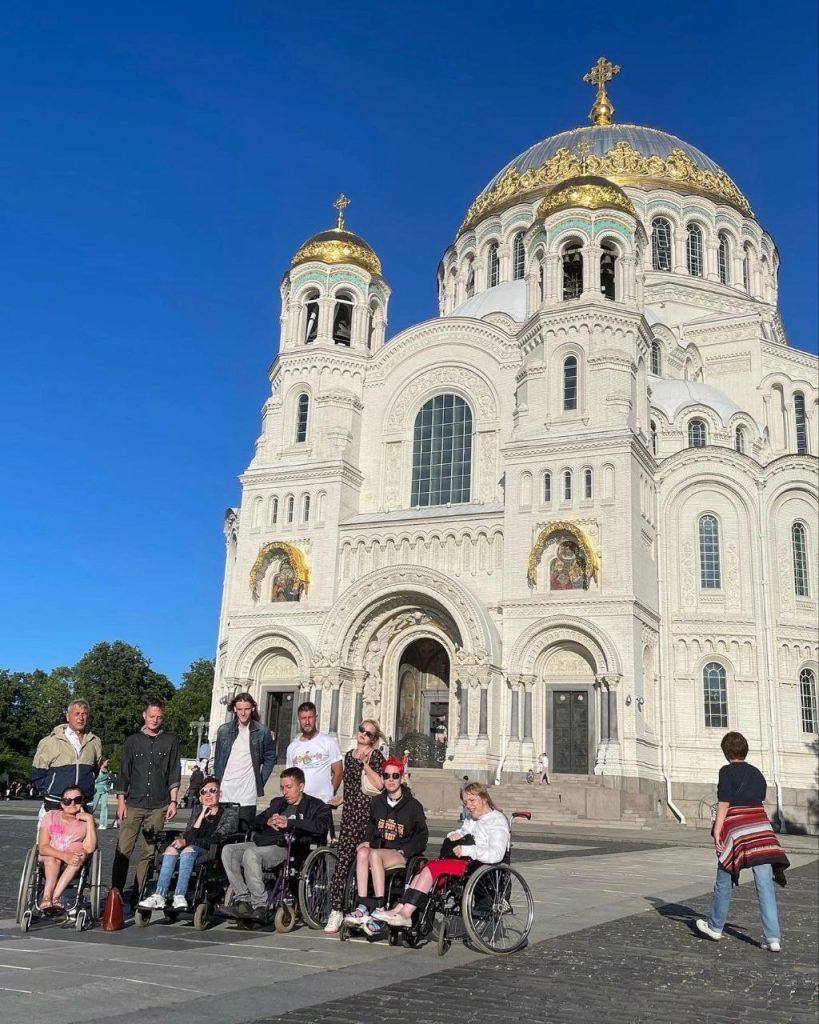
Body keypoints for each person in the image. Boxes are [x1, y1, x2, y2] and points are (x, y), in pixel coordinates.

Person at [695, 732, 789, 951]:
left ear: (726, 753)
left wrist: (717, 831)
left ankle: (715, 926)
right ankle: (773, 938)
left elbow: (724, 803)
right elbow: (759, 797)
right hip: (761, 831)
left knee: (724, 875)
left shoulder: (726, 772)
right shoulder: (756, 773)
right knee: (764, 884)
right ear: (745, 750)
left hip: (738, 830)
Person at [375, 781, 509, 928]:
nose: (468, 806)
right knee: (425, 869)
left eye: (472, 800)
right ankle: (399, 909)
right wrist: (455, 835)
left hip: (478, 865)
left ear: (484, 798)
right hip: (463, 861)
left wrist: (468, 850)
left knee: (432, 869)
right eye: (465, 802)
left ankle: (406, 914)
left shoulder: (497, 820)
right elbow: (463, 832)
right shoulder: (472, 818)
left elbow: (496, 854)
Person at [221, 767, 331, 921]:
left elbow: (321, 827)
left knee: (251, 854)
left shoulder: (316, 805)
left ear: (301, 786)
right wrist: (268, 821)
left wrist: (290, 823)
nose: (285, 791)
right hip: (265, 841)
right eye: (282, 787)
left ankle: (260, 904)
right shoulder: (277, 803)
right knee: (229, 851)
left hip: (288, 847)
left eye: (288, 787)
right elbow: (255, 821)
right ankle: (243, 899)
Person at [345, 756, 428, 936]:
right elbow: (371, 826)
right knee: (362, 853)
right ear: (382, 778)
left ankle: (380, 907)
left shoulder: (413, 806)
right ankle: (363, 904)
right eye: (386, 775)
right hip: (379, 848)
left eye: (395, 776)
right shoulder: (377, 802)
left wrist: (406, 850)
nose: (390, 779)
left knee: (374, 855)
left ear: (402, 777)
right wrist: (367, 840)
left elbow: (423, 835)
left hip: (399, 852)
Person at [111, 700, 181, 899]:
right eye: (151, 716)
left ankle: (138, 892)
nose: (155, 720)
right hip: (133, 803)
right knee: (123, 849)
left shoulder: (171, 741)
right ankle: (116, 891)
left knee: (149, 852)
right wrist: (121, 802)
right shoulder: (132, 741)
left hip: (158, 804)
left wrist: (173, 801)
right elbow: (124, 773)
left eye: (159, 717)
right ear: (144, 715)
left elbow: (174, 772)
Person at [138, 777, 239, 911]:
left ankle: (180, 894)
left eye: (213, 790)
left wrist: (187, 842)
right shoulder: (198, 811)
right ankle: (159, 895)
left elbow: (216, 838)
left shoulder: (229, 813)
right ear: (200, 797)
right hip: (191, 849)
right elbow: (189, 835)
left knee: (188, 850)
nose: (208, 794)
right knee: (170, 850)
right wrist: (202, 814)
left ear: (219, 794)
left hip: (211, 850)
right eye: (204, 792)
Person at [324, 720, 386, 933]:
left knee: (366, 862)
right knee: (342, 862)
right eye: (361, 729)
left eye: (368, 733)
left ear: (373, 739)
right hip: (350, 816)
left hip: (369, 817)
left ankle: (365, 908)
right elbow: (350, 786)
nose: (363, 735)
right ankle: (336, 910)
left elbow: (380, 785)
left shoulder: (376, 757)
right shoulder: (348, 756)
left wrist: (365, 764)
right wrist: (341, 799)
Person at [214, 692, 277, 826]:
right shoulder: (224, 731)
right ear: (234, 709)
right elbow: (218, 760)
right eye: (240, 709)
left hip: (247, 790)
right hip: (226, 787)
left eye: (247, 709)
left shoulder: (262, 732)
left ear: (252, 708)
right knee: (222, 830)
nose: (243, 713)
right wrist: (217, 784)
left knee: (244, 830)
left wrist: (259, 780)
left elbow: (270, 758)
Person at [31, 699, 103, 811]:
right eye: (77, 714)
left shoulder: (95, 741)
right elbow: (38, 772)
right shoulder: (50, 741)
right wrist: (51, 791)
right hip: (56, 802)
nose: (81, 718)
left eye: (84, 714)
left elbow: (96, 771)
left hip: (83, 802)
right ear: (68, 717)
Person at [37, 784, 97, 913]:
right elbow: (42, 847)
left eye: (77, 800)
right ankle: (47, 897)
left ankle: (56, 897)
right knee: (52, 858)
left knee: (79, 857)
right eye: (67, 801)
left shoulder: (85, 822)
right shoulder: (51, 816)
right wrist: (64, 856)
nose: (72, 804)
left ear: (82, 801)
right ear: (62, 803)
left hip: (75, 861)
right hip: (50, 857)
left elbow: (90, 848)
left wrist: (90, 820)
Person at [285, 701, 342, 804]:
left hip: (322, 803)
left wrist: (330, 794)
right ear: (298, 720)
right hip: (300, 803)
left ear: (316, 717)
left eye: (310, 717)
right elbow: (289, 777)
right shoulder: (292, 747)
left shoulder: (328, 741)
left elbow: (338, 772)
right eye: (303, 718)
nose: (307, 722)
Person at [92, 758, 113, 829]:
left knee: (104, 807)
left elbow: (108, 781)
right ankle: (88, 821)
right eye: (107, 762)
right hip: (97, 789)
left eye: (108, 762)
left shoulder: (107, 770)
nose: (108, 763)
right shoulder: (98, 769)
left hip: (105, 790)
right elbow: (96, 780)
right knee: (93, 806)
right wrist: (106, 777)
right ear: (103, 762)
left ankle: (103, 824)